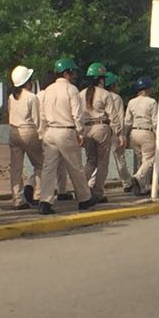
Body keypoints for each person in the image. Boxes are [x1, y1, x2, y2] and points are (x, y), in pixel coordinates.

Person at [38, 58, 95, 214]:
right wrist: (80, 132)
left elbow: (42, 115)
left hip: (50, 131)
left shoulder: (47, 90)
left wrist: (42, 133)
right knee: (75, 167)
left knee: (48, 168)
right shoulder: (71, 90)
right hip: (66, 131)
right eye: (72, 72)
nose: (74, 75)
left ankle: (45, 201)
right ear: (67, 73)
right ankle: (84, 198)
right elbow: (77, 114)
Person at [8, 65, 42, 210]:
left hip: (13, 131)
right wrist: (42, 136)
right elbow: (37, 120)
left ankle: (18, 199)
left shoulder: (11, 97)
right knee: (41, 165)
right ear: (28, 81)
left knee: (16, 168)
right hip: (28, 132)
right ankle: (39, 196)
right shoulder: (32, 97)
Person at [80, 62, 113, 200]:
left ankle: (81, 188)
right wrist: (118, 133)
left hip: (87, 129)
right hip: (101, 128)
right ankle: (97, 193)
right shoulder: (105, 94)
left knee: (90, 161)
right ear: (101, 79)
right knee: (102, 163)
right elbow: (113, 116)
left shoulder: (81, 94)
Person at [123, 76, 157, 196]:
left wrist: (125, 135)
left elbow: (127, 121)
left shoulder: (131, 102)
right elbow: (155, 121)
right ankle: (138, 177)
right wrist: (158, 135)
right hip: (146, 132)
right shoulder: (152, 102)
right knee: (150, 159)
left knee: (140, 161)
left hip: (134, 132)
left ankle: (143, 187)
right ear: (148, 88)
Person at [103, 73, 129, 190]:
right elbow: (119, 116)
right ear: (113, 85)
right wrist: (121, 134)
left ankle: (91, 184)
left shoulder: (99, 94)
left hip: (102, 130)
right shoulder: (116, 98)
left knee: (100, 160)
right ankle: (127, 183)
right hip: (114, 131)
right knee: (120, 159)